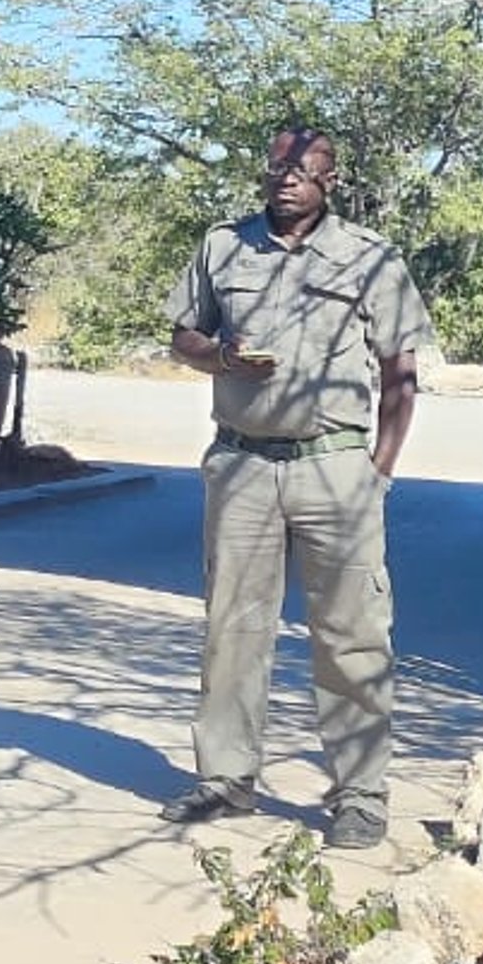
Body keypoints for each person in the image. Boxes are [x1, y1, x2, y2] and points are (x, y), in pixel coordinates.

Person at [163, 126, 436, 852]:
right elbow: (182, 335)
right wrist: (218, 355)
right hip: (243, 465)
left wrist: (377, 470)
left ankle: (360, 794)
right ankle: (226, 779)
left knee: (351, 636)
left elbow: (400, 373)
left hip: (335, 468)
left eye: (301, 170)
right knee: (232, 629)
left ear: (330, 181)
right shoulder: (224, 247)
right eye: (275, 168)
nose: (285, 181)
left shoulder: (369, 258)